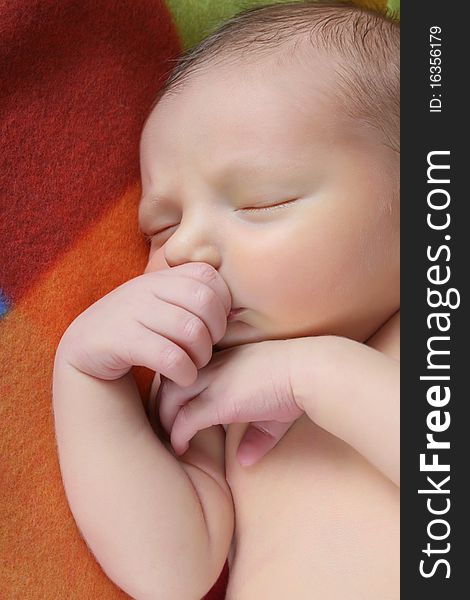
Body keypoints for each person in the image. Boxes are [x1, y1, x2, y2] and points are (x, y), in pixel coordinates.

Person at [52, 2, 400, 598]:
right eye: (160, 228)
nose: (184, 246)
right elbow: (170, 574)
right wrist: (84, 376)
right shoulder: (212, 384)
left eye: (259, 203)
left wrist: (310, 375)